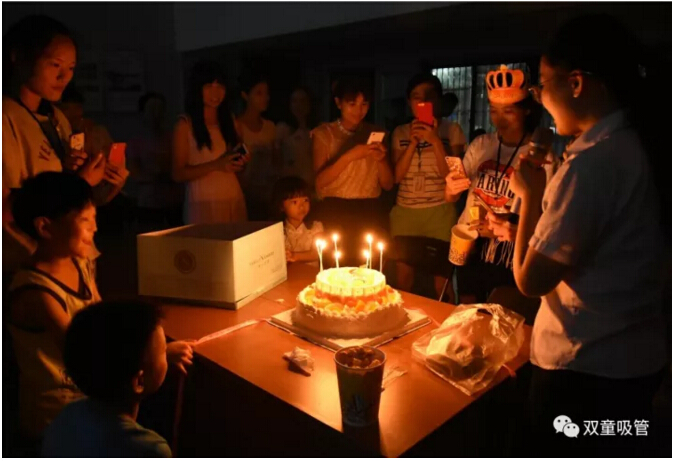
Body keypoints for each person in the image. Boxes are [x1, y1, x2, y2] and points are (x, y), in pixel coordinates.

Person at [509, 15, 666, 456]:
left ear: (575, 83)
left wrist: (530, 196)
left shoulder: (592, 165)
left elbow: (530, 280)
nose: (539, 99)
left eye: (541, 86)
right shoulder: (640, 145)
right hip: (635, 360)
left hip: (584, 368)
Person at [7, 172, 194, 441]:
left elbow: (103, 324)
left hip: (93, 400)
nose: (94, 228)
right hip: (57, 417)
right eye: (85, 221)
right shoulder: (36, 292)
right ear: (45, 228)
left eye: (94, 218)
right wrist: (158, 354)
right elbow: (87, 354)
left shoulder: (79, 263)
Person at [2, 16, 125, 276]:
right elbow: (9, 208)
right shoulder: (7, 117)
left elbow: (74, 196)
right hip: (35, 259)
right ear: (18, 57)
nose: (64, 76)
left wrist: (105, 182)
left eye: (71, 67)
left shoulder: (56, 117)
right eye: (55, 64)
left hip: (73, 251)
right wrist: (79, 183)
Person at [444, 65, 558, 303]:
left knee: (505, 310)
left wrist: (515, 225)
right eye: (493, 110)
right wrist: (451, 188)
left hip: (510, 248)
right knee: (467, 309)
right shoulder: (481, 145)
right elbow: (451, 196)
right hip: (470, 240)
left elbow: (549, 216)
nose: (499, 119)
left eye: (508, 111)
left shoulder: (541, 157)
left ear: (527, 110)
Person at [42, 300, 172, 457]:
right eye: (164, 350)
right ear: (139, 382)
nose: (167, 353)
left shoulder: (67, 415)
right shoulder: (150, 449)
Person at [390, 74, 465, 298]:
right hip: (406, 214)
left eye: (429, 96)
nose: (422, 101)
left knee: (442, 284)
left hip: (440, 214)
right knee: (403, 280)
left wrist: (434, 140)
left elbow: (453, 177)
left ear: (437, 100)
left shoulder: (452, 130)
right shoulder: (400, 132)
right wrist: (413, 142)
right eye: (416, 96)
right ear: (409, 102)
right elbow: (396, 177)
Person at [312, 75, 394, 267]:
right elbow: (320, 182)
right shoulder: (324, 134)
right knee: (336, 270)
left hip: (369, 210)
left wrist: (382, 160)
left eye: (364, 104)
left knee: (368, 271)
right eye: (352, 104)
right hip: (336, 210)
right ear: (338, 103)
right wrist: (350, 155)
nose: (359, 110)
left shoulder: (377, 133)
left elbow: (388, 184)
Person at [172, 60, 249, 225]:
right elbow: (178, 173)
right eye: (209, 86)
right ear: (197, 88)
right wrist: (217, 165)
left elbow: (238, 167)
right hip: (202, 201)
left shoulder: (231, 121)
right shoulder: (185, 125)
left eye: (220, 86)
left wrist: (240, 162)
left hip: (231, 195)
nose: (216, 93)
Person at [127, 92, 184, 231]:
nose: (156, 114)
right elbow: (133, 172)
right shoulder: (136, 141)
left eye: (160, 109)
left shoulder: (174, 137)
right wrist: (157, 176)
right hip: (148, 203)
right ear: (143, 112)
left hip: (174, 202)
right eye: (152, 109)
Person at [237, 70, 278, 220]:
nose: (265, 98)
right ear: (245, 95)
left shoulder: (270, 127)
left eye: (266, 93)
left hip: (268, 195)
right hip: (246, 195)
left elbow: (275, 161)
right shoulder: (237, 126)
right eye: (259, 93)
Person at [271, 176, 324, 264]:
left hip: (310, 272)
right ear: (281, 206)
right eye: (294, 202)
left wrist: (294, 256)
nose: (302, 206)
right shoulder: (277, 230)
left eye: (305, 200)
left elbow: (317, 253)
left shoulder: (315, 227)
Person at [276, 87, 317, 189]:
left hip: (311, 185)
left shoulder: (317, 130)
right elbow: (277, 161)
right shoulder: (282, 129)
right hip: (290, 185)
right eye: (294, 101)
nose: (298, 105)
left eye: (302, 101)